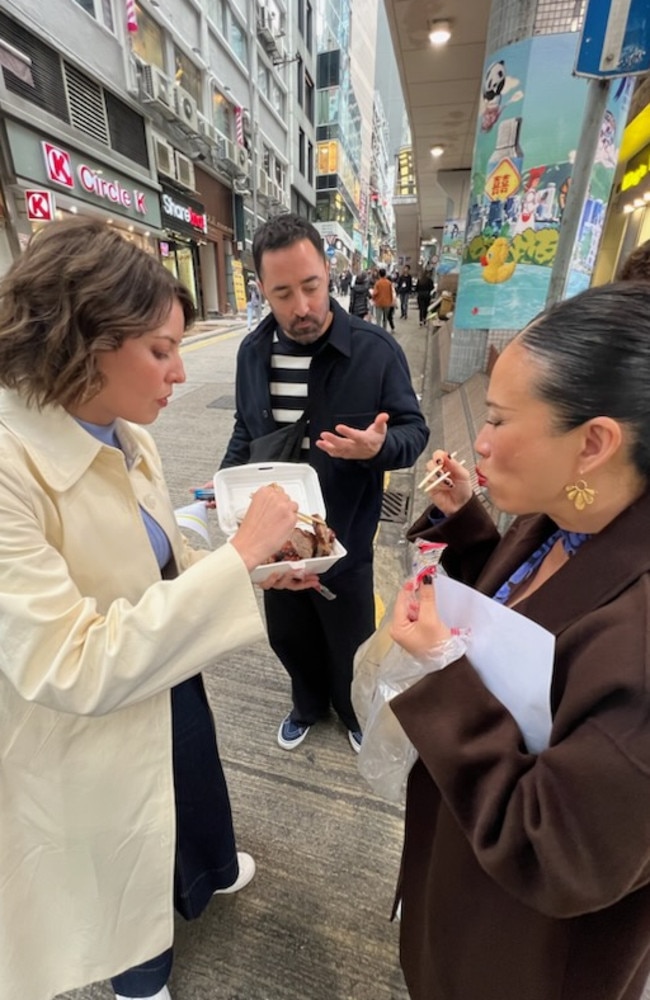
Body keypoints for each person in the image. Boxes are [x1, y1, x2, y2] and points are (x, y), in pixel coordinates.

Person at [0, 218, 302, 1000]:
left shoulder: (127, 431)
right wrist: (239, 558)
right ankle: (137, 973)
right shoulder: (9, 463)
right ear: (83, 340)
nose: (175, 373)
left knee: (188, 786)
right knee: (110, 850)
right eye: (159, 351)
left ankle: (207, 873)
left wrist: (261, 569)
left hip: (164, 665)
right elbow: (66, 661)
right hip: (79, 716)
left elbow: (160, 560)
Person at [386, 282, 650, 1000]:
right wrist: (469, 524)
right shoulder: (564, 514)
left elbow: (563, 851)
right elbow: (527, 617)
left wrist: (444, 666)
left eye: (500, 418)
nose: (480, 437)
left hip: (529, 953)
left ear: (593, 443)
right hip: (466, 867)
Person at [220, 213, 429, 754]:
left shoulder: (375, 351)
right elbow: (247, 427)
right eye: (283, 293)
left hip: (347, 537)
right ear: (262, 290)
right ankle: (307, 704)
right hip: (277, 537)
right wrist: (223, 482)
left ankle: (351, 708)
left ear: (327, 273)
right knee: (288, 633)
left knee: (350, 638)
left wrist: (379, 448)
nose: (302, 307)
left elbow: (413, 430)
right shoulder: (253, 353)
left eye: (311, 287)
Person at [371, 267, 395, 331]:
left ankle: (378, 331)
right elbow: (391, 293)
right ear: (385, 274)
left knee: (378, 318)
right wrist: (391, 301)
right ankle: (384, 330)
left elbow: (375, 293)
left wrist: (373, 298)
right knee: (385, 318)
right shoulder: (389, 283)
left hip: (379, 303)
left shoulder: (378, 283)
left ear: (379, 274)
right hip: (387, 303)